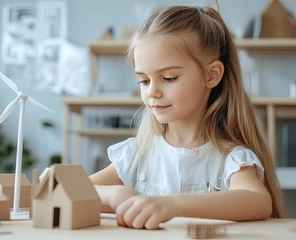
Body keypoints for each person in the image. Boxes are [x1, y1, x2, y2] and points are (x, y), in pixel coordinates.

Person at [90, 5, 284, 230]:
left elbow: (258, 201)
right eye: (144, 81)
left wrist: (172, 204)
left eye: (169, 77)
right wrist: (115, 195)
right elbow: (64, 190)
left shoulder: (231, 158)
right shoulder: (136, 156)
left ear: (212, 75)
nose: (152, 91)